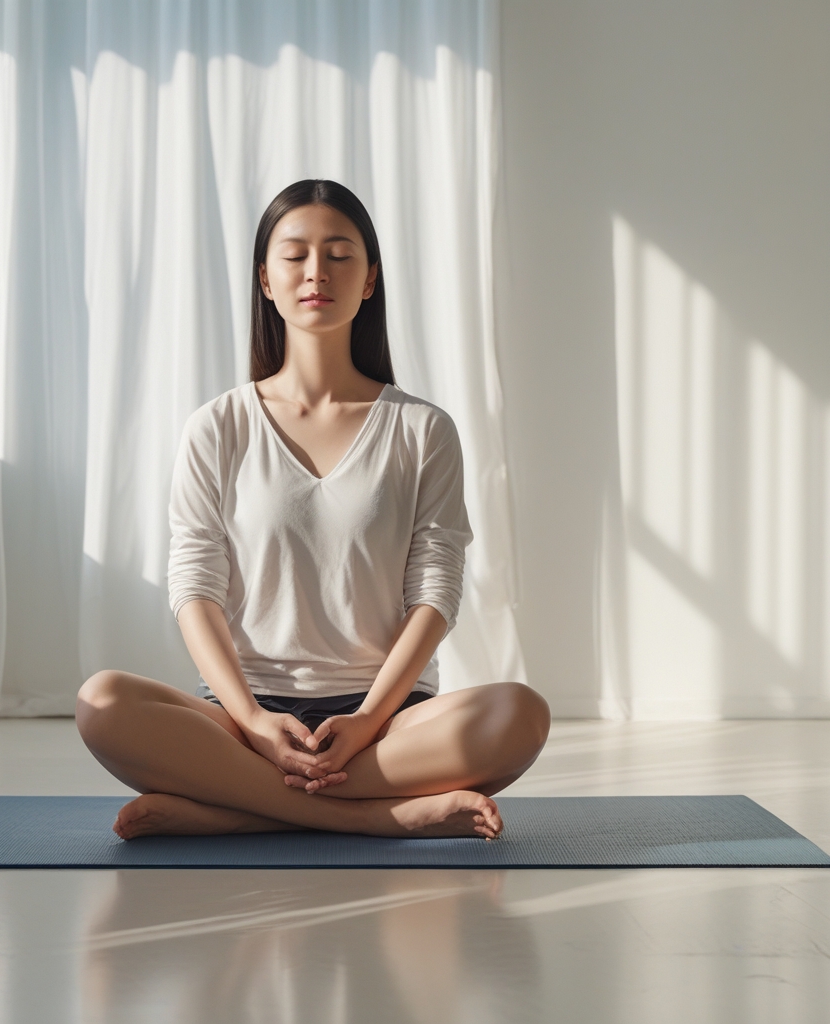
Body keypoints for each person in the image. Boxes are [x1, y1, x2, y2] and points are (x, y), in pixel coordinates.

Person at [76, 179, 550, 841]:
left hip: (387, 720)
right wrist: (254, 721)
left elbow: (436, 593)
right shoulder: (217, 427)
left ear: (369, 280)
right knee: (100, 703)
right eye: (295, 255)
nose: (316, 272)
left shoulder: (423, 430)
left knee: (520, 715)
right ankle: (383, 818)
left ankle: (236, 809)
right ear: (265, 280)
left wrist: (364, 724)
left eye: (338, 254)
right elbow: (194, 588)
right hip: (245, 720)